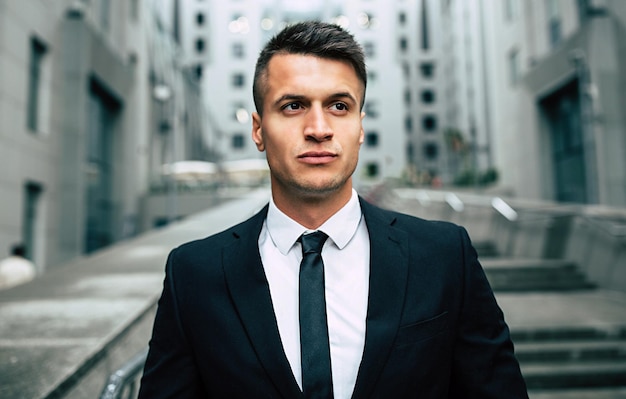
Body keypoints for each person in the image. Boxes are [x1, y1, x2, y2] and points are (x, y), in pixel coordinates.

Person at [139, 21, 528, 398]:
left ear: (360, 126)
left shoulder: (444, 255)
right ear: (258, 129)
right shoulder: (192, 273)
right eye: (293, 106)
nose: (319, 128)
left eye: (339, 106)